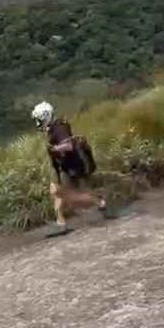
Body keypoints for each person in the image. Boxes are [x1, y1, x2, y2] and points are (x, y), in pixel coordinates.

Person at [31, 101, 109, 235]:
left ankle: (100, 202)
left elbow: (69, 146)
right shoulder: (53, 127)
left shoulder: (59, 127)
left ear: (45, 116)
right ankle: (61, 223)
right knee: (56, 192)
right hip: (65, 167)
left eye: (39, 120)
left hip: (73, 165)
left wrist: (55, 148)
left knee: (67, 196)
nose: (38, 123)